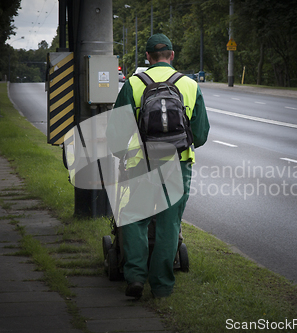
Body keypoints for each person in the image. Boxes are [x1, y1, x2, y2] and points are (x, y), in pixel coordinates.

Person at [112, 33, 209, 298]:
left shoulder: (133, 84)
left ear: (147, 57)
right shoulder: (189, 85)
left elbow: (117, 136)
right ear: (172, 55)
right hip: (178, 165)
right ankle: (162, 287)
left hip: (140, 163)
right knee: (169, 224)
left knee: (135, 220)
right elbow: (200, 135)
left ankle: (134, 276)